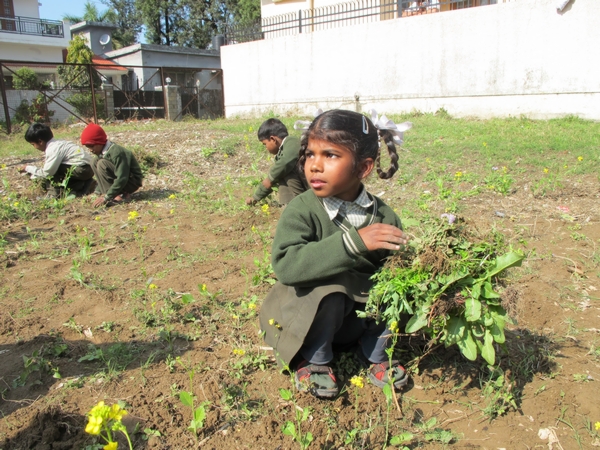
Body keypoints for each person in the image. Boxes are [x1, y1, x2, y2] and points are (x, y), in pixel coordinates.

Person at [258, 109, 412, 398]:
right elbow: (286, 266)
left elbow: (394, 270)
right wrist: (352, 244)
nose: (314, 166)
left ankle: (376, 353)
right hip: (306, 313)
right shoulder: (302, 209)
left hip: (353, 318)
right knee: (331, 287)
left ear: (364, 167)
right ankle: (315, 358)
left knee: (395, 287)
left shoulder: (383, 216)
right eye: (311, 154)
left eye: (330, 155)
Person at [20, 123, 94, 198]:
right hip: (88, 169)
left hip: (82, 170)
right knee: (56, 168)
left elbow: (47, 173)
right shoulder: (58, 143)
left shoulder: (53, 149)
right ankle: (83, 185)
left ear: (40, 142)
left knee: (53, 169)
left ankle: (54, 195)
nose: (34, 147)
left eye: (33, 144)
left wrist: (28, 168)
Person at [245, 118, 308, 206]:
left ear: (273, 139)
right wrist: (255, 198)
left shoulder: (292, 141)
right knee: (281, 173)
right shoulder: (283, 152)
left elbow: (284, 163)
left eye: (265, 144)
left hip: (308, 190)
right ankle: (289, 205)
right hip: (301, 193)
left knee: (283, 171)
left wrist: (270, 178)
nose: (266, 147)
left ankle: (300, 205)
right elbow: (273, 178)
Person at [80, 123, 144, 208]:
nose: (90, 150)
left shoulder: (117, 152)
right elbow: (102, 179)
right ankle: (109, 193)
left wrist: (107, 197)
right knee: (94, 162)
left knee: (102, 164)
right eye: (88, 147)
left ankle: (119, 195)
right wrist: (97, 192)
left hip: (132, 181)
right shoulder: (103, 152)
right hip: (123, 179)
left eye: (92, 146)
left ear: (99, 142)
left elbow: (122, 177)